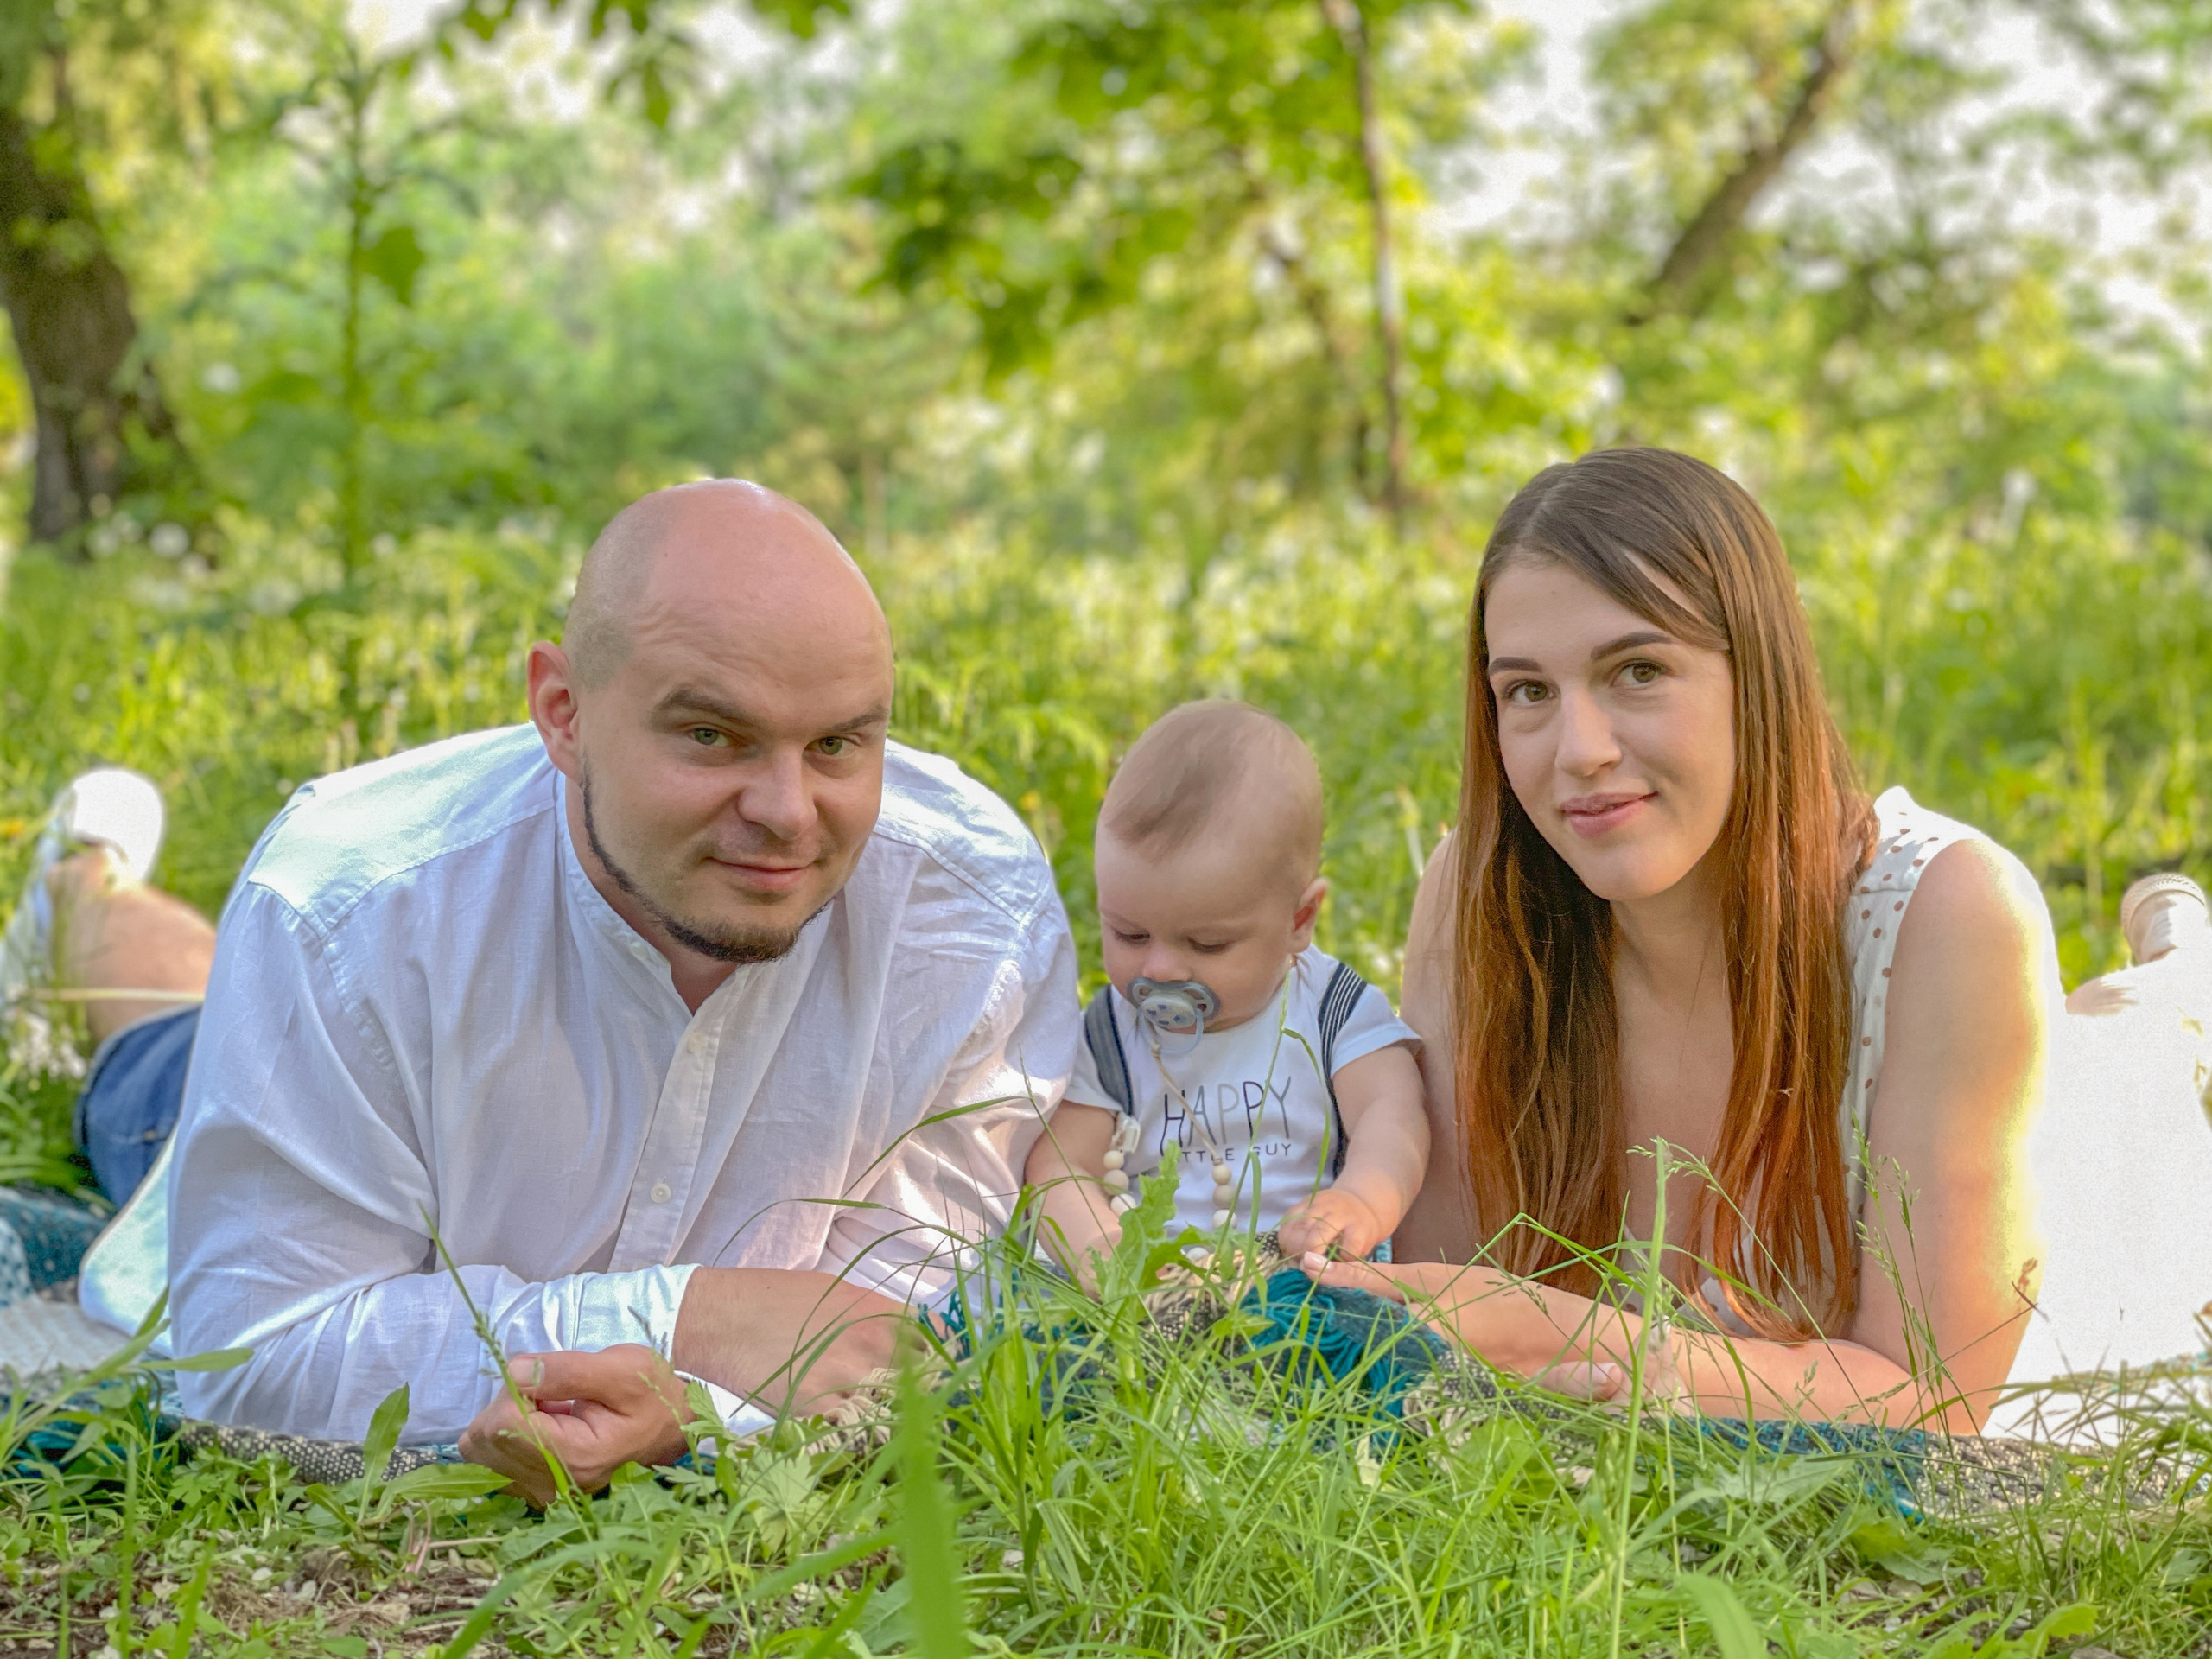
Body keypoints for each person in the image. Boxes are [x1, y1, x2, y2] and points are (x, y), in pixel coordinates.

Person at [30, 480, 1079, 1500]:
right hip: (299, 1122)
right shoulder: (346, 911)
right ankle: (82, 878)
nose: (788, 814)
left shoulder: (972, 919)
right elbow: (256, 1354)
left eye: (839, 745)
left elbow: (898, 1322)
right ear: (562, 712)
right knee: (153, 1045)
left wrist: (688, 1406)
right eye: (713, 736)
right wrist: (688, 1321)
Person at [1297, 447, 2212, 1434]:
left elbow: (1937, 1400)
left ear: (1759, 671)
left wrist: (1566, 1341)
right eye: (1527, 691)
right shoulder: (1480, 898)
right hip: (1973, 1074)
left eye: (1637, 670)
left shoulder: (1947, 911)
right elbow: (1455, 1293)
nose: (1579, 750)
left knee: (2136, 1050)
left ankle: (2181, 963)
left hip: (2085, 1184)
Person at [1023, 700, 1427, 1282]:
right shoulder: (1111, 1033)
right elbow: (1061, 1164)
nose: (1160, 970)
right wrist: (1100, 1247)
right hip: (1150, 1283)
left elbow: (1393, 1115)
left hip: (1300, 1269)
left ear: (1300, 919)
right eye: (1129, 934)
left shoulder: (1330, 1008)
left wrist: (1361, 1201)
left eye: (1207, 944)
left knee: (1374, 1336)